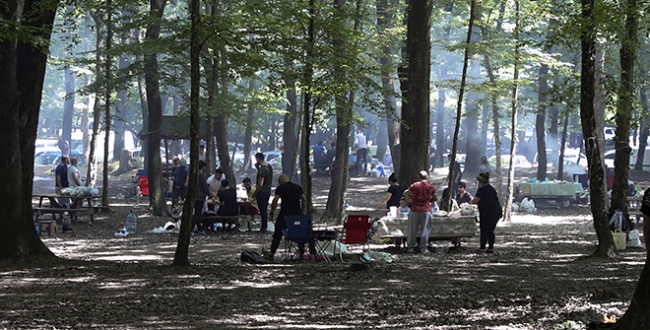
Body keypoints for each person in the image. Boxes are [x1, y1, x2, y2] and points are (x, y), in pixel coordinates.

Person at [265, 174, 310, 261]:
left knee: (277, 234)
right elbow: (304, 199)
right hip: (297, 215)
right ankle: (301, 252)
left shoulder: (281, 188)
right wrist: (302, 210)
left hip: (285, 215)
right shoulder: (297, 187)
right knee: (299, 231)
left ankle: (272, 253)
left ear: (280, 181)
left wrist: (271, 213)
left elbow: (275, 201)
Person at [403, 171, 437, 253]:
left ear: (419, 177)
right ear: (427, 177)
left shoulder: (415, 185)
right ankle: (423, 248)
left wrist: (412, 197)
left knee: (412, 229)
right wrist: (429, 200)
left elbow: (405, 193)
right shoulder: (430, 186)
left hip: (414, 209)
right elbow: (435, 197)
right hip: (426, 210)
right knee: (425, 229)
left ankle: (410, 247)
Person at [470, 172, 503, 254]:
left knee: (484, 229)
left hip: (487, 212)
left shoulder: (481, 189)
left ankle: (482, 248)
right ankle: (491, 247)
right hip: (496, 212)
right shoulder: (491, 189)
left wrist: (469, 202)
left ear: (480, 181)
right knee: (490, 230)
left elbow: (475, 201)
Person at [192, 161, 217, 233]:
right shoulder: (201, 175)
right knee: (197, 214)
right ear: (203, 167)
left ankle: (199, 228)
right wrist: (210, 195)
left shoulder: (194, 174)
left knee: (197, 213)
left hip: (194, 196)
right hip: (200, 197)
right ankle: (191, 228)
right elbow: (205, 187)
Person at [252, 152, 273, 233]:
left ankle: (263, 228)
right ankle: (264, 226)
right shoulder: (269, 167)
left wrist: (254, 194)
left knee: (262, 210)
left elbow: (260, 184)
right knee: (265, 209)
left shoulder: (262, 170)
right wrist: (257, 168)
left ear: (258, 158)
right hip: (268, 191)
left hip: (262, 192)